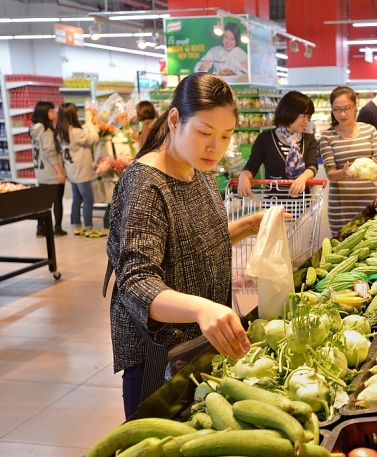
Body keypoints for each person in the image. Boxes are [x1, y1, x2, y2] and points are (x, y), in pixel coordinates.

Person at [107, 73, 265, 418]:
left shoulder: (199, 168)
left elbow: (190, 241)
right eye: (205, 133)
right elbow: (136, 282)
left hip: (196, 349)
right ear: (175, 120)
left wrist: (246, 227)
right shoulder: (145, 185)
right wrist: (200, 308)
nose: (215, 147)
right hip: (158, 359)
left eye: (226, 136)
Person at [320, 86, 377, 235]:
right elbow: (330, 173)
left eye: (347, 108)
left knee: (369, 246)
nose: (342, 114)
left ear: (355, 106)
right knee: (341, 249)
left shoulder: (369, 130)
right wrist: (344, 172)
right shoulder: (327, 137)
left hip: (368, 203)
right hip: (341, 206)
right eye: (337, 109)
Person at [238, 91, 318, 198]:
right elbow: (252, 165)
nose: (306, 120)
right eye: (302, 115)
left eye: (308, 116)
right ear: (288, 111)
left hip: (302, 203)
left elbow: (312, 165)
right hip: (274, 203)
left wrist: (302, 178)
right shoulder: (265, 139)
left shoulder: (309, 139)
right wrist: (243, 177)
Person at [55, 103, 103, 238]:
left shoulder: (60, 132)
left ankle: (77, 226)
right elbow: (94, 138)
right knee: (88, 199)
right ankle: (89, 228)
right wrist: (89, 123)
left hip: (71, 170)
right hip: (81, 171)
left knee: (77, 198)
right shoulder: (75, 132)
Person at [30, 101, 67, 237]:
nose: (54, 113)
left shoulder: (34, 128)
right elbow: (50, 152)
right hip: (52, 172)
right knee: (57, 200)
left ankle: (41, 228)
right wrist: (59, 172)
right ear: (44, 113)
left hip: (41, 171)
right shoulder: (46, 131)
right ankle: (57, 228)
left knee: (43, 202)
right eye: (51, 111)